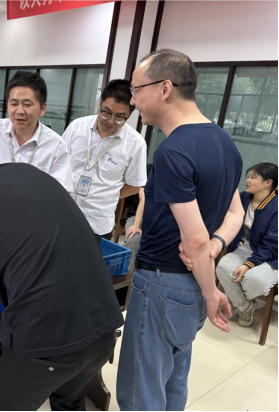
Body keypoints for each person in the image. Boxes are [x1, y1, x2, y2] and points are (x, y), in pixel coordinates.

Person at [0, 128, 124, 411]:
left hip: (46, 340)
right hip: (104, 326)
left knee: (4, 396)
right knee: (69, 398)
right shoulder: (29, 172)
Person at [116, 49, 245, 412]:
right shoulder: (225, 143)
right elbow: (234, 213)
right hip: (191, 288)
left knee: (141, 392)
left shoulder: (174, 151)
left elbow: (196, 239)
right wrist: (214, 251)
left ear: (164, 88)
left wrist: (211, 290)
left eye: (136, 90)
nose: (132, 100)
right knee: (173, 380)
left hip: (163, 285)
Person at [62, 80, 148, 245]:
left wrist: (108, 194)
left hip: (97, 223)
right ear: (100, 103)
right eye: (106, 113)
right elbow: (59, 164)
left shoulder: (135, 144)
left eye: (120, 117)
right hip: (62, 213)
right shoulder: (77, 128)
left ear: (130, 114)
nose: (110, 121)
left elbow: (135, 185)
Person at [0, 71, 73, 192]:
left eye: (27, 104)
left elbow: (61, 193)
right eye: (14, 104)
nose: (20, 111)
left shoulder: (56, 146)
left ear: (42, 108)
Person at [213, 163, 278, 327]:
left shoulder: (276, 207)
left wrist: (249, 264)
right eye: (248, 176)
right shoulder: (243, 198)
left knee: (254, 280)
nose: (247, 180)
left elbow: (272, 245)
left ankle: (236, 298)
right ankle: (245, 306)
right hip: (245, 249)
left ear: (268, 182)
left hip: (272, 256)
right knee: (223, 267)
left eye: (253, 177)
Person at [122, 163, 154, 274]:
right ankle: (131, 277)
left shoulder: (176, 174)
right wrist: (136, 224)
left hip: (157, 219)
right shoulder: (147, 170)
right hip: (137, 216)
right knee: (134, 239)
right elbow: (144, 199)